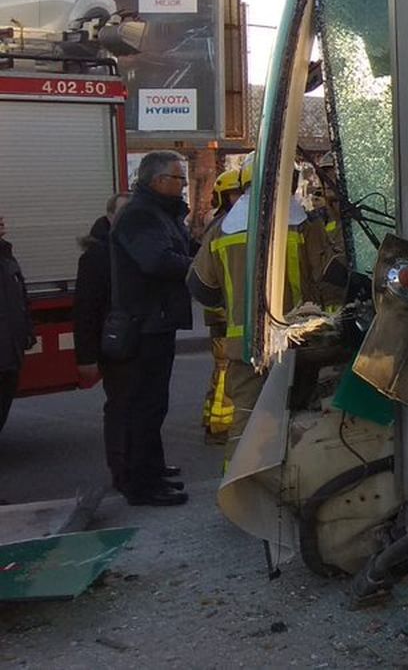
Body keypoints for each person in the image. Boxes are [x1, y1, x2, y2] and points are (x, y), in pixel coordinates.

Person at [188, 157, 335, 466]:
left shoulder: (220, 231)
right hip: (299, 344)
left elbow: (200, 286)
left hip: (246, 345)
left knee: (246, 424)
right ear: (290, 184)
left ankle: (241, 491)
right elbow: (331, 278)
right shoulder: (305, 225)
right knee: (300, 417)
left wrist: (234, 304)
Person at [111, 152, 196, 507]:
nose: (183, 186)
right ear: (158, 180)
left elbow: (184, 249)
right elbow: (157, 261)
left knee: (154, 404)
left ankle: (153, 468)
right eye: (179, 179)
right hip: (143, 325)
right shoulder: (141, 216)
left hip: (157, 322)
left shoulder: (163, 214)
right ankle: (141, 484)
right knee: (143, 406)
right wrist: (197, 267)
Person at [72, 193, 132, 492]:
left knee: (141, 407)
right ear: (109, 215)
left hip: (136, 342)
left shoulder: (130, 244)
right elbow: (85, 309)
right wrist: (86, 357)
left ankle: (142, 464)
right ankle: (122, 472)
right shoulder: (96, 255)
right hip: (114, 345)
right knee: (120, 408)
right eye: (122, 212)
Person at [199, 167, 245, 442]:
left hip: (223, 311)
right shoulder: (223, 226)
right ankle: (220, 425)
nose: (239, 198)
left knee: (222, 369)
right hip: (223, 313)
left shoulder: (223, 224)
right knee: (225, 368)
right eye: (234, 194)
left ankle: (215, 419)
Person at [0, 213, 36, 431]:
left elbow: (21, 298)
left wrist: (27, 330)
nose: (2, 219)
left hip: (9, 353)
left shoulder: (6, 256)